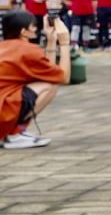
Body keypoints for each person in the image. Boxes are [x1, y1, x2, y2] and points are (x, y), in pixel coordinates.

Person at [0, 8, 70, 150]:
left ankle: (12, 134)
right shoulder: (27, 50)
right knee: (50, 86)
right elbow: (63, 77)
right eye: (33, 26)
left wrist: (51, 41)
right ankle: (14, 134)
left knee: (46, 81)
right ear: (23, 31)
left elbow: (48, 72)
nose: (36, 29)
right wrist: (64, 42)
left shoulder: (5, 47)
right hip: (3, 110)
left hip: (4, 103)